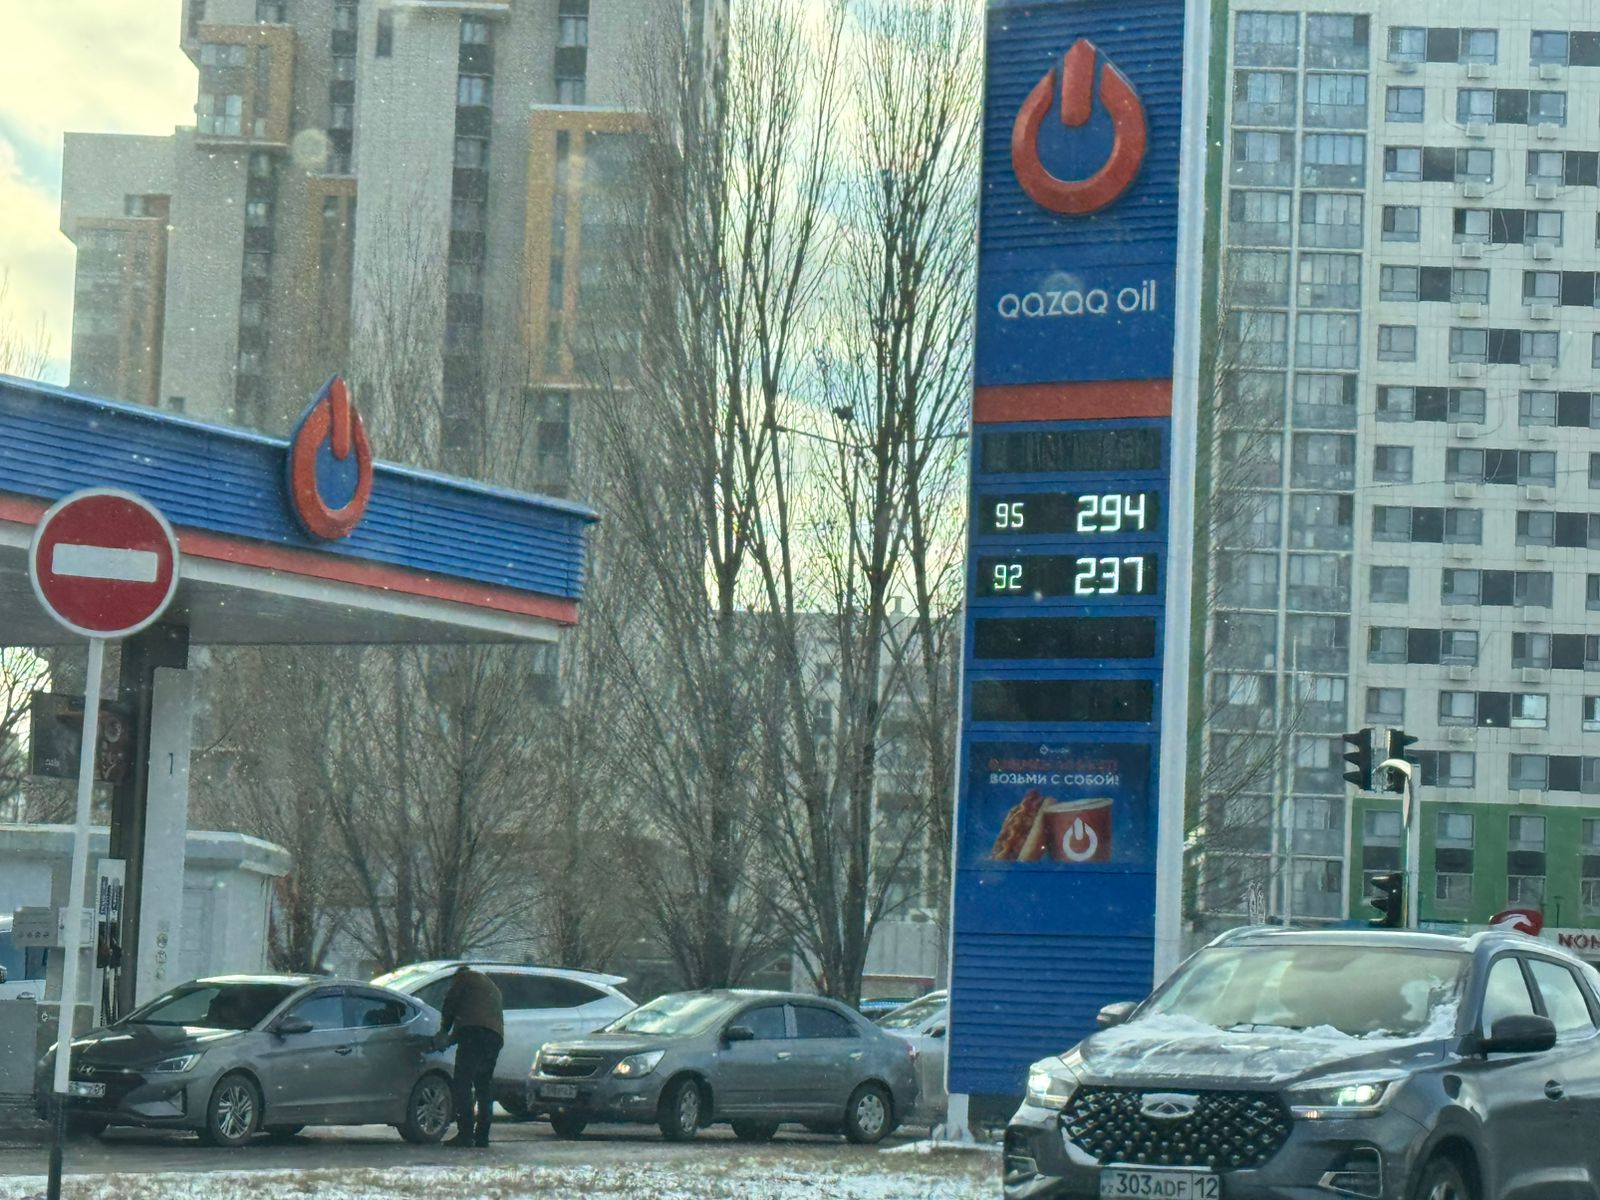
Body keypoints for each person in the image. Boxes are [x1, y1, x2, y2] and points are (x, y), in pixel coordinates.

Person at [432, 964, 505, 1147]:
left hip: (474, 1034)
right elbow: (476, 1019)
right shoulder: (491, 987)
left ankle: (465, 1134)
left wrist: (443, 1030)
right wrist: (450, 1040)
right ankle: (482, 1136)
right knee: (483, 1086)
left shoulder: (463, 979)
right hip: (495, 1038)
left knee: (462, 1084)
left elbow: (451, 1005)